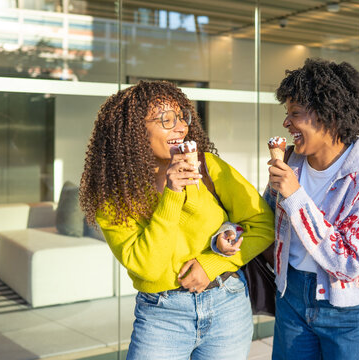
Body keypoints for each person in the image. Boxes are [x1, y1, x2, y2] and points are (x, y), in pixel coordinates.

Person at [79, 80, 274, 360]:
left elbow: (263, 225)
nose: (181, 127)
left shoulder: (208, 167)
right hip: (162, 316)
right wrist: (172, 194)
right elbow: (147, 266)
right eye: (166, 120)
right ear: (134, 131)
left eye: (182, 117)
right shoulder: (115, 197)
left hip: (227, 303)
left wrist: (211, 264)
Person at [264, 58, 359, 360]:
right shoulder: (291, 161)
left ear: (329, 115)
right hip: (291, 297)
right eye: (286, 113)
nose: (286, 123)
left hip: (348, 311)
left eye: (295, 113)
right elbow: (266, 218)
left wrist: (295, 195)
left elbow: (347, 263)